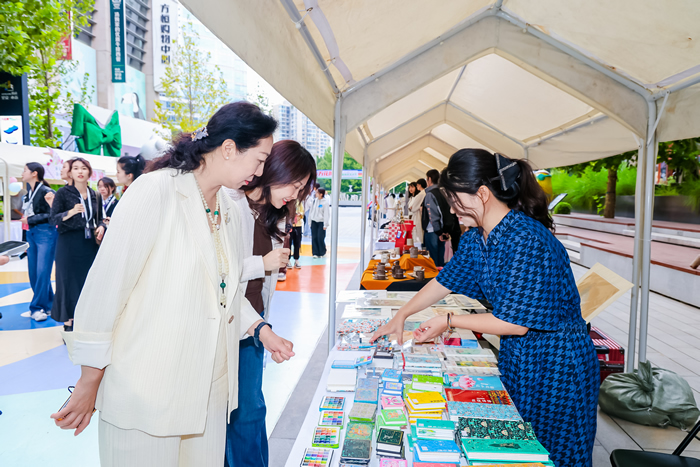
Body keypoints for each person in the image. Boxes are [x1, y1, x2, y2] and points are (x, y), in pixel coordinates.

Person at [51, 102, 295, 467]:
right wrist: (89, 380)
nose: (260, 172)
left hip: (208, 393)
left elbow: (223, 289)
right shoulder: (156, 191)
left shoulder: (228, 209)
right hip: (149, 391)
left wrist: (260, 329)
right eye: (258, 160)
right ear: (228, 149)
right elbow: (105, 290)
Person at [372, 149, 599, 467]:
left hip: (556, 364)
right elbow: (445, 281)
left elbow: (516, 323)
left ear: (482, 193)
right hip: (519, 356)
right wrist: (401, 315)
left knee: (555, 452)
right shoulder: (477, 239)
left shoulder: (527, 240)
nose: (452, 208)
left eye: (455, 199)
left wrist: (448, 319)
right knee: (516, 447)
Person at [225, 139, 315, 467]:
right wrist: (261, 264)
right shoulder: (229, 204)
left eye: (301, 188)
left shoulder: (274, 216)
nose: (295, 193)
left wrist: (263, 324)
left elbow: (260, 288)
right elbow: (216, 274)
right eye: (294, 182)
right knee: (242, 411)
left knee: (250, 408)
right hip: (227, 321)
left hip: (253, 320)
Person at [50, 158, 105, 331]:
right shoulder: (63, 193)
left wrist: (102, 226)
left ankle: (86, 319)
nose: (80, 171)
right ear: (70, 173)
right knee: (67, 280)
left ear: (89, 172)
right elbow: (53, 219)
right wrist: (71, 212)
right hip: (68, 242)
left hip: (89, 243)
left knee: (88, 280)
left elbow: (100, 219)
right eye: (75, 168)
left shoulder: (95, 194)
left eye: (83, 168)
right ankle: (69, 321)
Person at [19, 163, 58, 322]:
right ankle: (49, 305)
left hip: (45, 233)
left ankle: (36, 307)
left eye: (24, 170)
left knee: (42, 272)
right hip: (31, 234)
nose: (22, 173)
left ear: (34, 173)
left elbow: (52, 214)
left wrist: (31, 219)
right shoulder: (29, 193)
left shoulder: (46, 191)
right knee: (34, 272)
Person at [309, 187, 330, 258]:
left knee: (320, 237)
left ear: (321, 194)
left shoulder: (325, 202)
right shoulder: (314, 201)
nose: (315, 194)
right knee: (314, 237)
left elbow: (326, 214)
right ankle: (315, 253)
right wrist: (310, 222)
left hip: (321, 222)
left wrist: (325, 224)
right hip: (314, 221)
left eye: (317, 192)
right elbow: (311, 212)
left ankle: (322, 252)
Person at [409, 179, 426, 245]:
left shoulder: (421, 194)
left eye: (413, 187)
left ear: (418, 186)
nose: (411, 189)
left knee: (418, 233)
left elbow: (413, 208)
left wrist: (411, 208)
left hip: (417, 215)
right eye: (409, 187)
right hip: (416, 215)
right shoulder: (417, 195)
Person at [289, 199, 304, 269]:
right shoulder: (288, 202)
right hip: (289, 225)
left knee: (297, 243)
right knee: (288, 243)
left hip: (298, 225)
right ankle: (287, 260)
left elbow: (302, 213)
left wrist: (299, 214)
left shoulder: (299, 202)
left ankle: (296, 259)